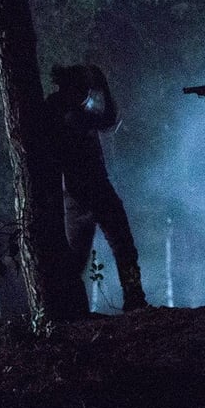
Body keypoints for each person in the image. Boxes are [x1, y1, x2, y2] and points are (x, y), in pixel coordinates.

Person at [47, 63, 147, 311]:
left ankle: (78, 306)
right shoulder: (67, 113)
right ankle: (132, 298)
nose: (87, 94)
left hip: (81, 193)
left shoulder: (63, 109)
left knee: (85, 257)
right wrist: (104, 87)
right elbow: (108, 119)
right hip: (87, 192)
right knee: (119, 247)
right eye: (84, 89)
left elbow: (106, 120)